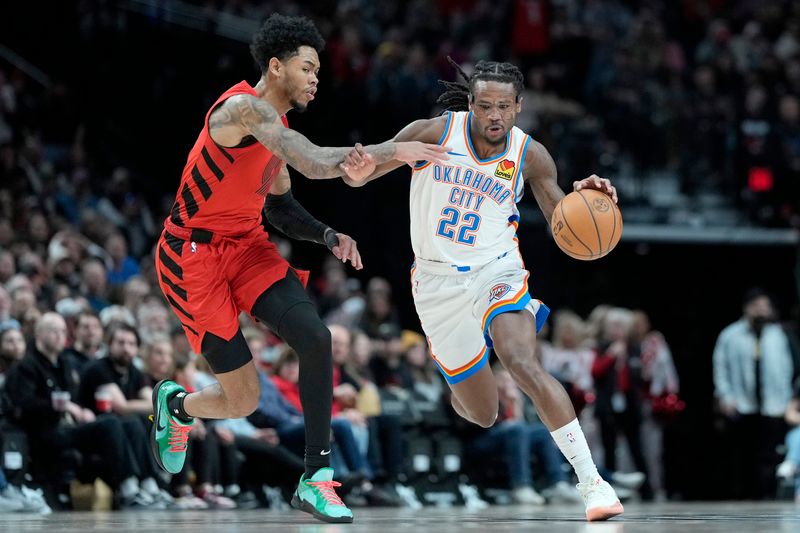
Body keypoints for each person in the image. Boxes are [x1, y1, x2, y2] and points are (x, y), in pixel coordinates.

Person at [149, 13, 447, 524]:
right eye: (307, 67)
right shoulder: (244, 110)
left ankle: (315, 478)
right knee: (243, 400)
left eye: (317, 70)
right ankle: (176, 408)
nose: (315, 77)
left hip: (245, 247)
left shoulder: (277, 129)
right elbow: (311, 161)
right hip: (191, 257)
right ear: (275, 66)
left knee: (316, 336)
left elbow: (282, 208)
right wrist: (394, 150)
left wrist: (329, 236)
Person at [343, 58, 623, 521]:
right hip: (436, 285)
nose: (495, 115)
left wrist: (584, 199)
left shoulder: (531, 155)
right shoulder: (434, 133)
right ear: (471, 104)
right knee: (482, 412)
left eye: (505, 107)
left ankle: (592, 483)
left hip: (497, 271)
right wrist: (363, 166)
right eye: (486, 105)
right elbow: (364, 173)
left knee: (521, 362)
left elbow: (562, 225)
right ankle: (460, 369)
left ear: (518, 107)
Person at [713, 288, 794, 499]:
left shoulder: (777, 334)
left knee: (768, 454)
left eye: (765, 307)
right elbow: (721, 368)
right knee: (742, 454)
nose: (762, 311)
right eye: (758, 306)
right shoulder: (731, 335)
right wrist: (725, 396)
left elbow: (785, 368)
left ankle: (765, 495)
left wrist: (785, 400)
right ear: (747, 308)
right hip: (741, 403)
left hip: (772, 404)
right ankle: (741, 494)